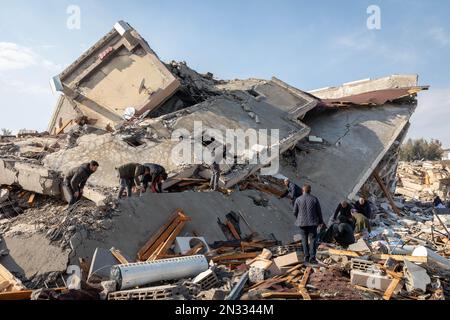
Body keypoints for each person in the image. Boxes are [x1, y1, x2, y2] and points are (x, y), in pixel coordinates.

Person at [293, 184, 325, 264]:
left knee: (304, 240)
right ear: (310, 191)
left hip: (302, 223)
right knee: (313, 240)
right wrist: (320, 221)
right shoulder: (314, 199)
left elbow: (294, 212)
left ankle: (306, 257)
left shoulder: (298, 199)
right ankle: (312, 258)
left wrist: (298, 218)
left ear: (302, 190)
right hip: (312, 223)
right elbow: (319, 211)